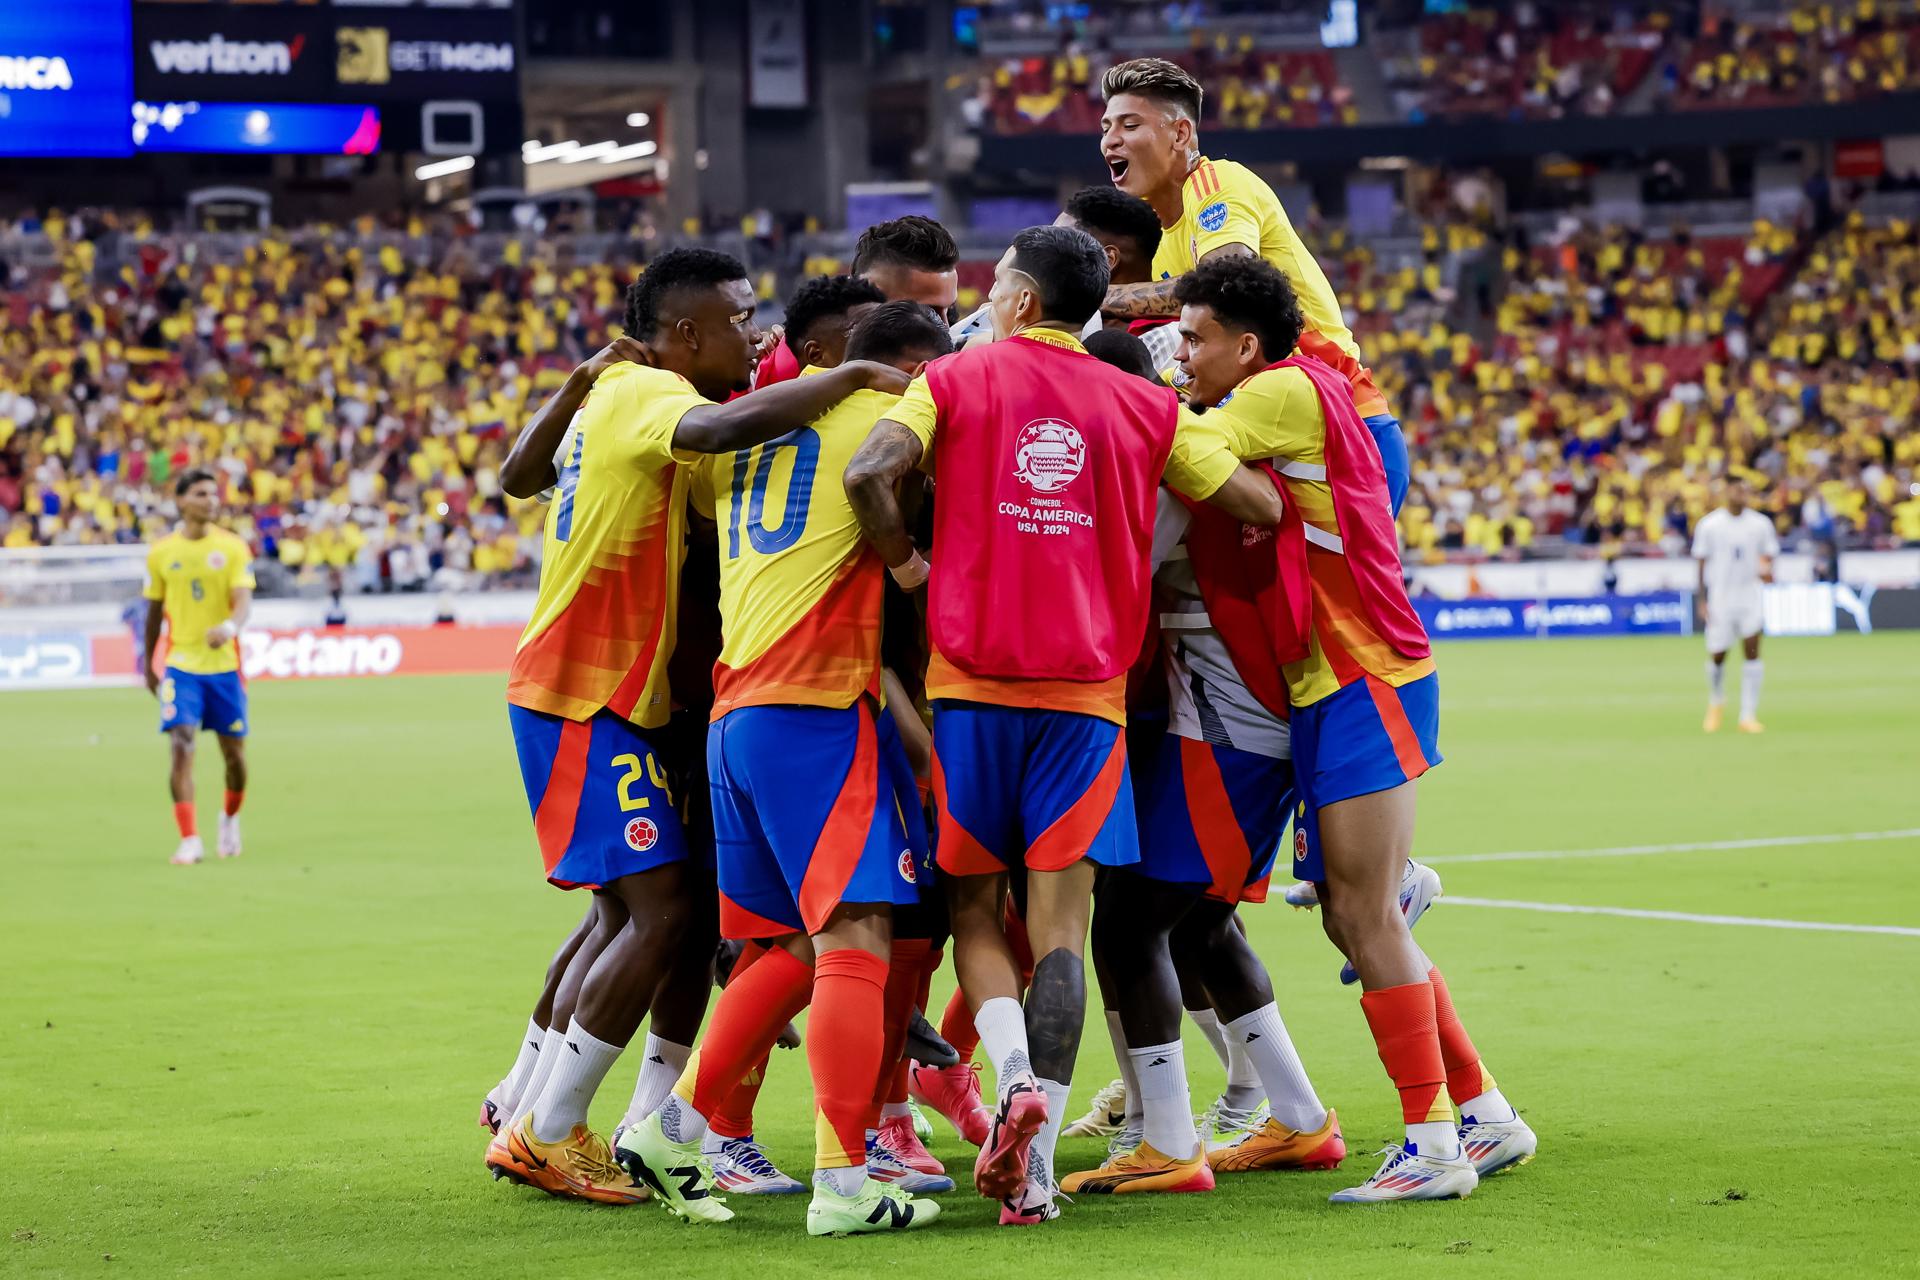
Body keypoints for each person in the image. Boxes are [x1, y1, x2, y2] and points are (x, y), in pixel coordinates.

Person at [843, 224, 1285, 1227]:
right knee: (1062, 932)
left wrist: (913, 568)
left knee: (971, 913)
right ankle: (1033, 1169)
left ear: (1022, 301)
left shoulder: (956, 381)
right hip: (1087, 699)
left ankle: (1010, 1081)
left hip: (969, 688)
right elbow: (1256, 499)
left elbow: (870, 472)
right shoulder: (1146, 405)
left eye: (997, 283)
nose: (990, 297)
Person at [481, 248, 912, 1206]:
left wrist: (577, 379)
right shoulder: (647, 393)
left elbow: (519, 475)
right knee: (663, 910)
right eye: (739, 318)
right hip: (581, 690)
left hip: (611, 698)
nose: (754, 336)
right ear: (685, 335)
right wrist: (837, 377)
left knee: (634, 910)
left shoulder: (616, 390)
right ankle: (547, 1130)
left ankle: (531, 1108)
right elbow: (720, 426)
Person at [1166, 256, 1535, 1205]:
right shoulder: (1302, 387)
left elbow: (1182, 447)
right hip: (1337, 680)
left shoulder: (1281, 389)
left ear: (1245, 345)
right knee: (1351, 911)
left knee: (1363, 915)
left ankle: (1433, 1145)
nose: (1181, 352)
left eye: (1195, 335)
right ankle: (1479, 1112)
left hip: (1361, 677)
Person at [616, 301, 954, 1237]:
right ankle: (847, 1182)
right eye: (932, 365)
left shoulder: (742, 445)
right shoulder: (884, 421)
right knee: (857, 938)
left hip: (736, 717)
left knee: (790, 949)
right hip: (813, 709)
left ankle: (671, 1126)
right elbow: (882, 484)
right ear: (889, 366)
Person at [1093, 56, 1409, 509]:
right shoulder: (1162, 242)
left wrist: (1099, 297)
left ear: (1180, 134)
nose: (1110, 141)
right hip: (1263, 431)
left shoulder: (1218, 182)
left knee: (1339, 582)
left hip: (1343, 423)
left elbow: (1225, 283)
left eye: (1128, 124)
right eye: (1105, 127)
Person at [142, 468, 254, 866]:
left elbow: (243, 602)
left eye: (214, 494)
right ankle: (190, 838)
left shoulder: (234, 547)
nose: (212, 500)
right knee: (181, 742)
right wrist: (148, 664)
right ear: (182, 501)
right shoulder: (161, 552)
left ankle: (230, 817)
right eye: (203, 494)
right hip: (181, 665)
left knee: (234, 758)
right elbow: (153, 613)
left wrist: (228, 627)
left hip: (224, 667)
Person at [754, 217, 961, 387]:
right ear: (866, 300)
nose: (945, 327)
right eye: (927, 312)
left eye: (948, 310)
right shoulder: (769, 384)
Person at [1693, 478, 1778, 733]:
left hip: (1750, 595)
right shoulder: (1710, 525)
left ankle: (1748, 715)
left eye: (1744, 488)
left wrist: (1767, 571)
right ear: (1725, 492)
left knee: (1752, 651)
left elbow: (1768, 556)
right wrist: (1702, 598)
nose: (1740, 493)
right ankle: (1716, 700)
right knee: (1718, 655)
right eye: (1735, 489)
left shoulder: (1760, 524)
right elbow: (1700, 562)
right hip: (1721, 596)